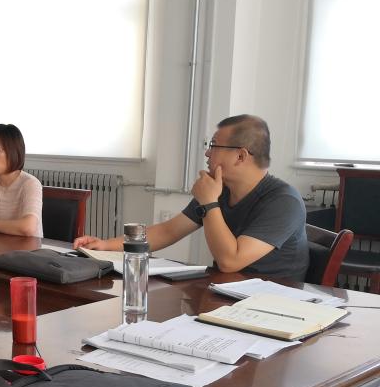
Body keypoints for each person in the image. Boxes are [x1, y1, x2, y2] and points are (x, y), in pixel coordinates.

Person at [74, 115, 309, 280]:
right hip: (227, 291)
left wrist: (209, 203)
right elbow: (168, 231)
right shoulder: (219, 189)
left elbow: (230, 261)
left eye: (213, 145)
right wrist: (107, 245)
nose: (207, 152)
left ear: (240, 156)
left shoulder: (283, 201)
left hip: (272, 304)